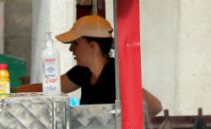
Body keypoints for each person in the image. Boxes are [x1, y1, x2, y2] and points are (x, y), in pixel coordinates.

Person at [17, 15, 161, 116]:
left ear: (93, 46)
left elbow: (155, 106)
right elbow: (48, 87)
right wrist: (10, 91)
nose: (71, 49)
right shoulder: (82, 72)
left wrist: (121, 123)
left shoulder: (115, 73)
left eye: (75, 43)